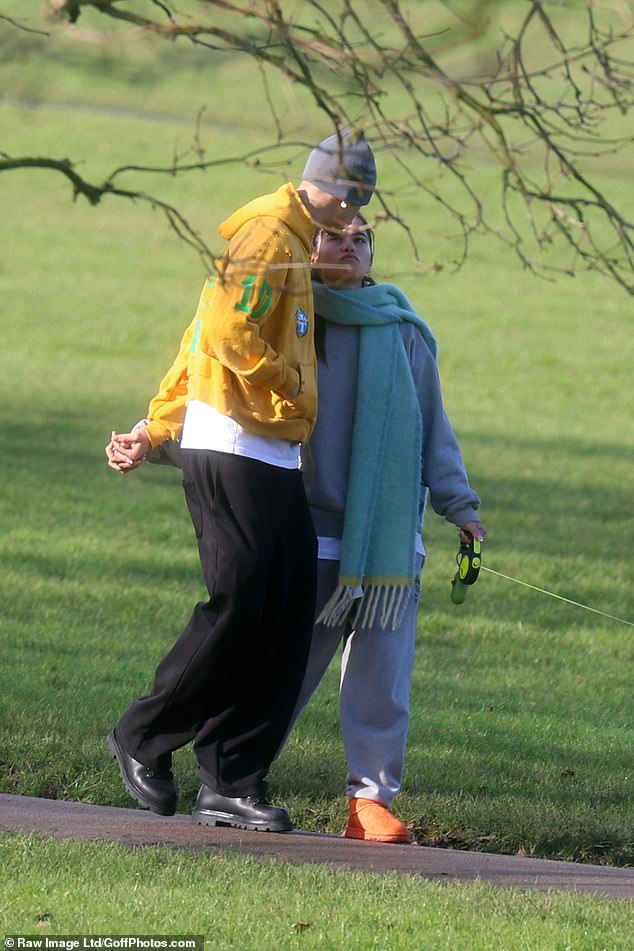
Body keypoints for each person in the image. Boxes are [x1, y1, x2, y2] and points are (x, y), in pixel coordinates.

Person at [104, 132, 377, 833]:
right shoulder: (270, 236)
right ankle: (143, 733)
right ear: (338, 192)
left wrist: (159, 421)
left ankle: (232, 778)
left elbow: (202, 338)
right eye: (359, 201)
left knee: (284, 618)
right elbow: (224, 333)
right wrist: (284, 385)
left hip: (272, 454)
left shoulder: (295, 235)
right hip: (232, 444)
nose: (360, 218)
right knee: (242, 601)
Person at [282, 215, 487, 843]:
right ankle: (234, 775)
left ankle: (369, 803)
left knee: (382, 680)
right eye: (333, 234)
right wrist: (157, 440)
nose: (349, 244)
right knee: (282, 669)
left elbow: (433, 429)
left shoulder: (403, 332)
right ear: (304, 247)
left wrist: (460, 505)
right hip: (305, 533)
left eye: (362, 237)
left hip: (392, 543)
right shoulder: (286, 320)